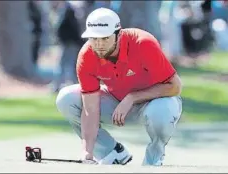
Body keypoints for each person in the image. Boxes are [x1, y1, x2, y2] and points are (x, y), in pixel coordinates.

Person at [56, 8, 183, 166]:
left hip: (154, 103)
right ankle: (111, 152)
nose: (99, 44)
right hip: (116, 104)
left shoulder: (143, 43)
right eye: (94, 38)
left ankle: (153, 160)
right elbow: (90, 109)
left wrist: (132, 97)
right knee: (66, 98)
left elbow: (175, 86)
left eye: (105, 38)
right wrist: (87, 151)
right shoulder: (87, 55)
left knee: (163, 110)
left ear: (118, 34)